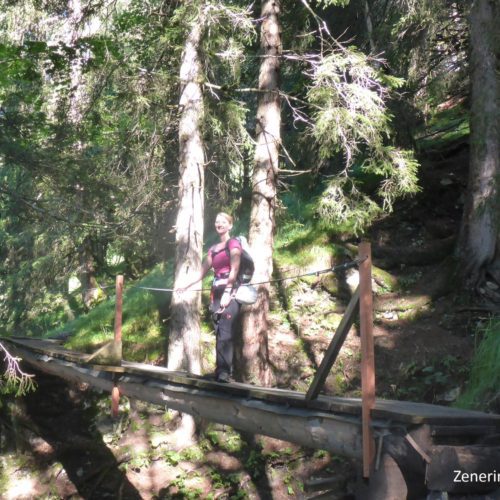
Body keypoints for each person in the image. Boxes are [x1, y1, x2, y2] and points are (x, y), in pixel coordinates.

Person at [177, 212, 242, 383]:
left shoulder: (233, 243)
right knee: (219, 330)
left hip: (231, 291)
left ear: (230, 225)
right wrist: (185, 285)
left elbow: (235, 269)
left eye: (223, 222)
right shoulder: (213, 249)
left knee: (226, 331)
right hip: (216, 292)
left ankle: (225, 373)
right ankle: (221, 370)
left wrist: (228, 291)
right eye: (216, 221)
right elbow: (201, 271)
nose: (219, 224)